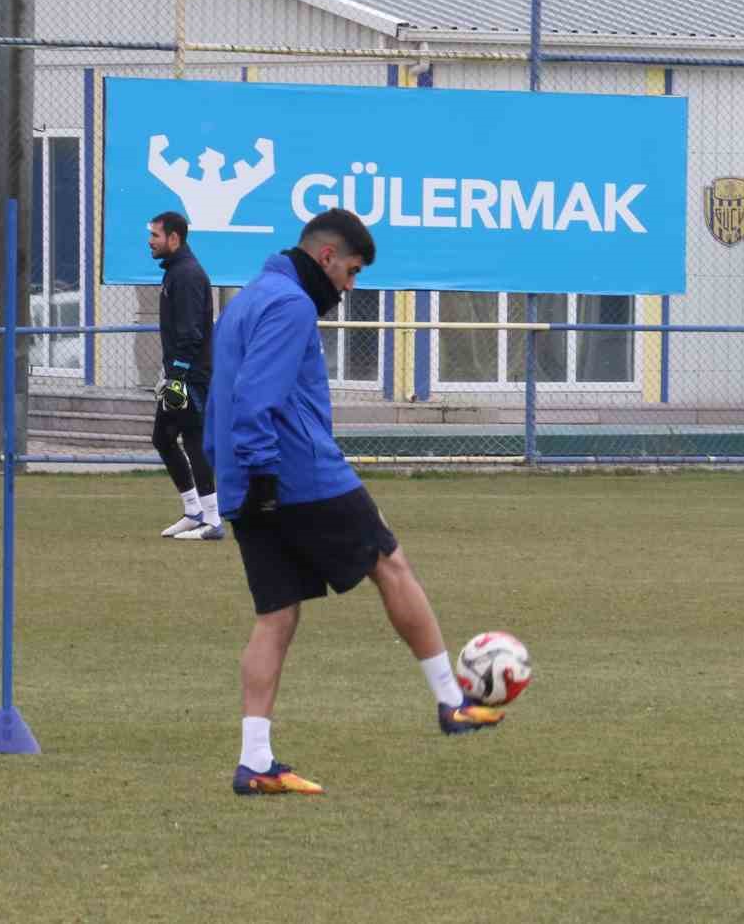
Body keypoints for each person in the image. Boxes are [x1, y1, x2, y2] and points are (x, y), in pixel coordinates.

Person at [206, 208, 503, 797]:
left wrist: (241, 478)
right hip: (297, 474)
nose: (350, 286)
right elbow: (254, 394)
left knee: (276, 615)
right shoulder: (290, 305)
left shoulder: (247, 298)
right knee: (390, 563)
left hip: (244, 479)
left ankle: (255, 762)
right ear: (326, 258)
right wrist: (266, 470)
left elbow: (223, 395)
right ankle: (451, 701)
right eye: (352, 271)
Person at [148, 211, 222, 541]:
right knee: (163, 439)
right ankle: (193, 511)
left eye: (156, 235)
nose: (150, 241)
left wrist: (177, 376)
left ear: (174, 238)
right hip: (180, 373)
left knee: (193, 440)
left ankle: (213, 519)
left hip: (192, 376)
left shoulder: (188, 275)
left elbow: (192, 333)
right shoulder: (175, 272)